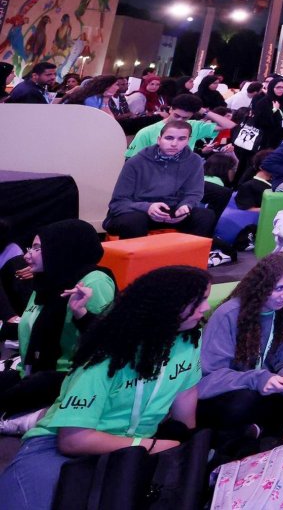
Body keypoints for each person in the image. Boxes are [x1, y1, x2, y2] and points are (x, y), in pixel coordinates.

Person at [0, 266, 212, 510]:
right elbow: (73, 441)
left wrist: (185, 449)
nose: (206, 308)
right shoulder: (107, 356)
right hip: (60, 448)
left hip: (131, 448)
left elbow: (185, 396)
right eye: (199, 301)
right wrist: (152, 446)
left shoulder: (188, 340)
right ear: (167, 307)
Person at [0, 221, 116, 434]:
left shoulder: (93, 283)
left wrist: (82, 313)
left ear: (62, 248)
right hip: (30, 369)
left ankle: (32, 418)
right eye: (30, 248)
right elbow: (31, 325)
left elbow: (107, 345)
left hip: (67, 377)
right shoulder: (48, 279)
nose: (27, 256)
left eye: (36, 248)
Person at [197, 252, 283, 455]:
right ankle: (268, 425)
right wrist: (258, 379)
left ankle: (260, 427)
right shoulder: (229, 314)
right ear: (261, 286)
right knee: (244, 402)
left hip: (268, 388)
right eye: (279, 288)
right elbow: (207, 379)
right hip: (232, 393)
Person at [105, 117, 218, 239]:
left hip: (171, 210)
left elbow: (194, 193)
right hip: (137, 210)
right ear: (159, 139)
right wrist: (147, 207)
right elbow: (118, 203)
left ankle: (188, 257)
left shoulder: (194, 160)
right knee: (135, 220)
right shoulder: (136, 162)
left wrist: (186, 206)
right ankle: (140, 257)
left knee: (205, 216)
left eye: (181, 139)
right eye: (169, 138)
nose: (174, 144)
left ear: (188, 140)